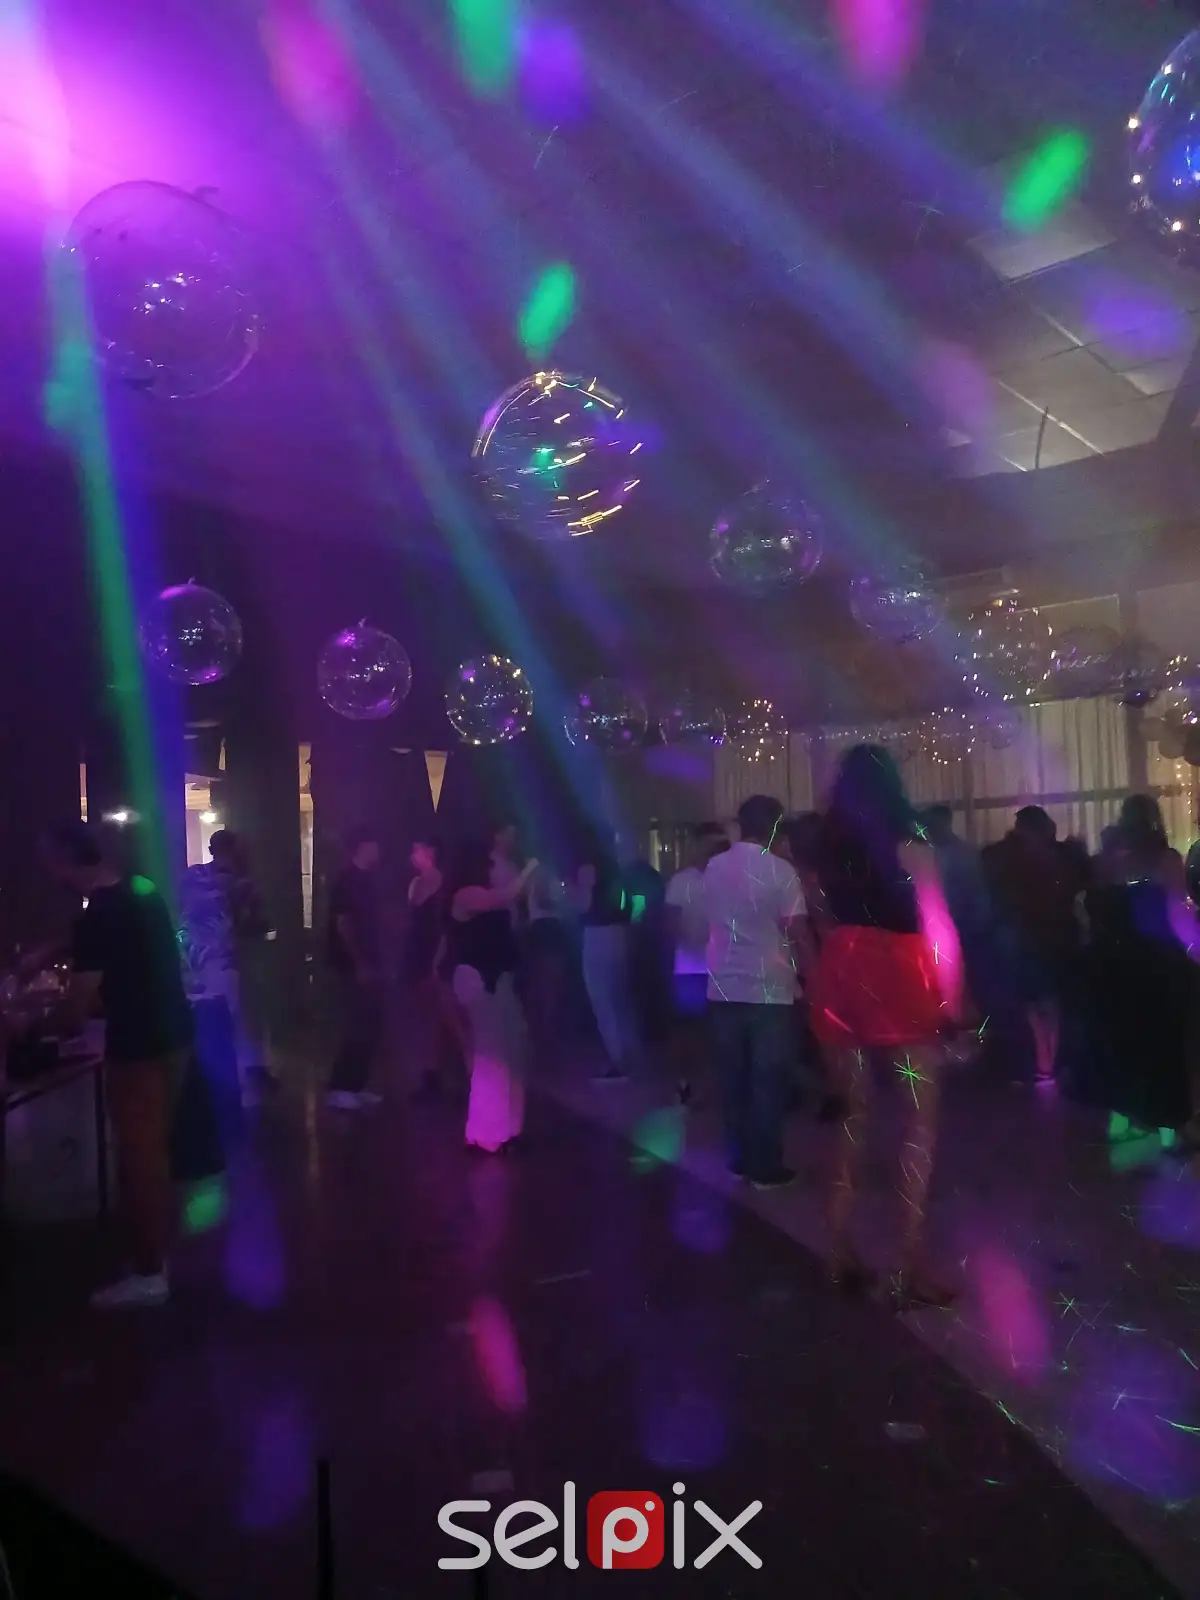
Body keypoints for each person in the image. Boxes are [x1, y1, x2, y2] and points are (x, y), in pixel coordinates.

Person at [809, 747, 963, 1307]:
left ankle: (837, 1251)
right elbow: (939, 923)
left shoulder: (826, 847)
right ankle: (907, 1266)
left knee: (853, 1115)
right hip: (899, 970)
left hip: (843, 966)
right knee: (919, 1125)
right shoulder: (910, 842)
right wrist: (952, 1002)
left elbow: (820, 916)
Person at [42, 822, 194, 1309]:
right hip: (175, 1037)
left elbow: (76, 1008)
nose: (51, 873)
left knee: (139, 1161)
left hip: (138, 1047)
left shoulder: (97, 916)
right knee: (155, 1154)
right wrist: (55, 953)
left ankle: (150, 1274)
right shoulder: (141, 891)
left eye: (51, 863)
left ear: (65, 862)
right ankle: (157, 1259)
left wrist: (35, 1024)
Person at [1076, 796, 1198, 1144]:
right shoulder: (1164, 859)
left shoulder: (1107, 861)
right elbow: (1177, 914)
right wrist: (1195, 950)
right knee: (1166, 1044)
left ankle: (1124, 1120)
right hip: (1159, 965)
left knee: (1125, 1043)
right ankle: (1169, 1128)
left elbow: (1089, 911)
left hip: (1115, 965)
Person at [704, 794, 808, 1190]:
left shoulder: (714, 866)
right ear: (775, 826)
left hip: (722, 985)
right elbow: (796, 929)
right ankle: (765, 1166)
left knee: (733, 1078)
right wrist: (813, 974)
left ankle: (739, 1158)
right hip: (769, 988)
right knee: (767, 1081)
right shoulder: (781, 871)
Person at [444, 840, 538, 1152]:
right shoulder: (465, 893)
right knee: (491, 1054)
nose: (495, 867)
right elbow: (502, 897)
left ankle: (507, 1128)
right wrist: (530, 867)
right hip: (476, 977)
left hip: (497, 977)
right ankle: (487, 1134)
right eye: (491, 862)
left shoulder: (486, 894)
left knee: (512, 1047)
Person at [982, 806, 1085, 1081]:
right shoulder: (1061, 856)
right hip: (1052, 936)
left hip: (1029, 936)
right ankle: (1050, 1060)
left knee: (1036, 1001)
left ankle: (1044, 1061)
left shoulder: (1010, 857)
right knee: (1049, 1002)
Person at [180, 829, 270, 1110]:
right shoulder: (241, 884)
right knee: (233, 1021)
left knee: (207, 1021)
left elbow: (181, 909)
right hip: (226, 961)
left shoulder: (192, 876)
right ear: (236, 850)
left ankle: (207, 1084)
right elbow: (256, 924)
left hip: (192, 959)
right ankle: (238, 1087)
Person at [664, 823, 727, 1105]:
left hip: (724, 968)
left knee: (719, 1031)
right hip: (690, 968)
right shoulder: (682, 881)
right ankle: (687, 1083)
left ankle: (715, 1086)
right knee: (690, 1030)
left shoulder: (728, 877)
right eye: (709, 844)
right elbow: (670, 923)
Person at [326, 826, 386, 1112]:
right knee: (358, 1025)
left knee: (370, 1024)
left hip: (367, 962)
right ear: (363, 846)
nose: (379, 850)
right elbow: (343, 925)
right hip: (352, 965)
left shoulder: (365, 880)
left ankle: (356, 1085)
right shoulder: (347, 880)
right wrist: (359, 962)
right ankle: (339, 1087)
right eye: (374, 844)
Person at [576, 829, 639, 1082]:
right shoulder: (619, 868)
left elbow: (582, 905)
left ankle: (618, 1063)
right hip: (621, 932)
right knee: (621, 998)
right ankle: (630, 1058)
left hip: (597, 934)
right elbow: (633, 903)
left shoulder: (588, 869)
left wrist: (568, 897)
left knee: (602, 999)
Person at [404, 836, 455, 1102]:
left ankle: (442, 1073)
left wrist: (438, 957)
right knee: (425, 1017)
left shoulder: (443, 883)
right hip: (416, 954)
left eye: (418, 848)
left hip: (433, 954)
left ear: (431, 851)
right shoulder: (416, 882)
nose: (413, 853)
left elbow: (445, 926)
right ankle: (430, 1073)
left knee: (441, 1015)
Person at [522, 860, 570, 1059]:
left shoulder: (537, 875)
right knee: (549, 990)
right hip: (548, 930)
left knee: (543, 989)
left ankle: (542, 1043)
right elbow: (546, 901)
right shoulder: (544, 874)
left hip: (541, 931)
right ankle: (546, 1044)